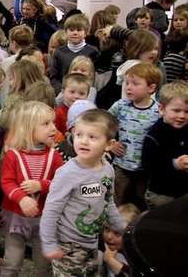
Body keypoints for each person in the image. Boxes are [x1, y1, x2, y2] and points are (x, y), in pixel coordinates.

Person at [40, 110, 126, 277]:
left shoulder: (108, 170)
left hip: (92, 241)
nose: (84, 141)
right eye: (79, 134)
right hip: (67, 245)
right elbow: (51, 210)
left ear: (109, 144)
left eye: (92, 137)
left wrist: (122, 227)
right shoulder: (67, 173)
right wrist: (49, 243)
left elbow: (108, 202)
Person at [0, 101, 64, 277]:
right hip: (16, 216)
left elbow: (61, 184)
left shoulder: (55, 156)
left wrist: (42, 185)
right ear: (28, 128)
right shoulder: (13, 155)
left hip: (44, 218)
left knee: (44, 263)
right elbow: (7, 182)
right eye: (46, 124)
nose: (53, 128)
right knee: (12, 261)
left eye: (53, 123)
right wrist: (21, 198)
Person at [109, 63, 161, 209]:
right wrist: (111, 144)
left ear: (151, 88)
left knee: (141, 203)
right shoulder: (120, 105)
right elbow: (103, 124)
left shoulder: (158, 111)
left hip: (145, 169)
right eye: (127, 83)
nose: (128, 87)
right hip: (121, 165)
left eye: (135, 83)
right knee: (116, 201)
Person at [141, 81, 188, 208]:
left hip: (183, 191)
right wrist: (175, 164)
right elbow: (148, 165)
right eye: (176, 110)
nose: (182, 116)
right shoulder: (155, 134)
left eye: (187, 112)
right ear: (162, 109)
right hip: (161, 193)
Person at [49, 14, 99, 93]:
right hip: (63, 92)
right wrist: (63, 91)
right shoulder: (58, 52)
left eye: (79, 30)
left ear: (85, 32)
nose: (75, 33)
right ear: (66, 32)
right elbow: (54, 77)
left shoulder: (93, 51)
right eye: (71, 30)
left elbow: (94, 76)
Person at [102, 204, 140, 277]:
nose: (109, 237)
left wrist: (111, 261)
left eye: (117, 233)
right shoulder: (98, 248)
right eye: (107, 229)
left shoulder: (137, 258)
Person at [55, 74, 91, 142]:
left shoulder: (88, 113)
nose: (76, 96)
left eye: (81, 93)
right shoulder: (58, 113)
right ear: (63, 91)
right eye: (72, 92)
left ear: (87, 95)